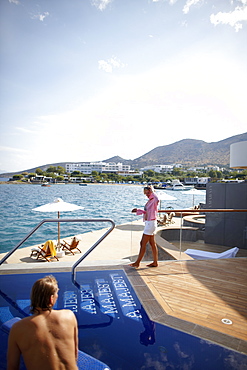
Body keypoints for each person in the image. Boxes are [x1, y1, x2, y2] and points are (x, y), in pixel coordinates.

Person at [7, 275, 78, 370]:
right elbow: (75, 354)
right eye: (57, 294)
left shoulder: (18, 328)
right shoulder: (69, 316)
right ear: (51, 298)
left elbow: (12, 367)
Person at [130, 185, 159, 268]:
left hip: (150, 224)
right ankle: (155, 262)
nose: (146, 194)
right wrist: (138, 210)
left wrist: (152, 190)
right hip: (150, 223)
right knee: (152, 243)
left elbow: (157, 199)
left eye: (147, 192)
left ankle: (137, 262)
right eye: (145, 192)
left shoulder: (154, 199)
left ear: (150, 192)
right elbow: (147, 212)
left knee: (142, 243)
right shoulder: (150, 201)